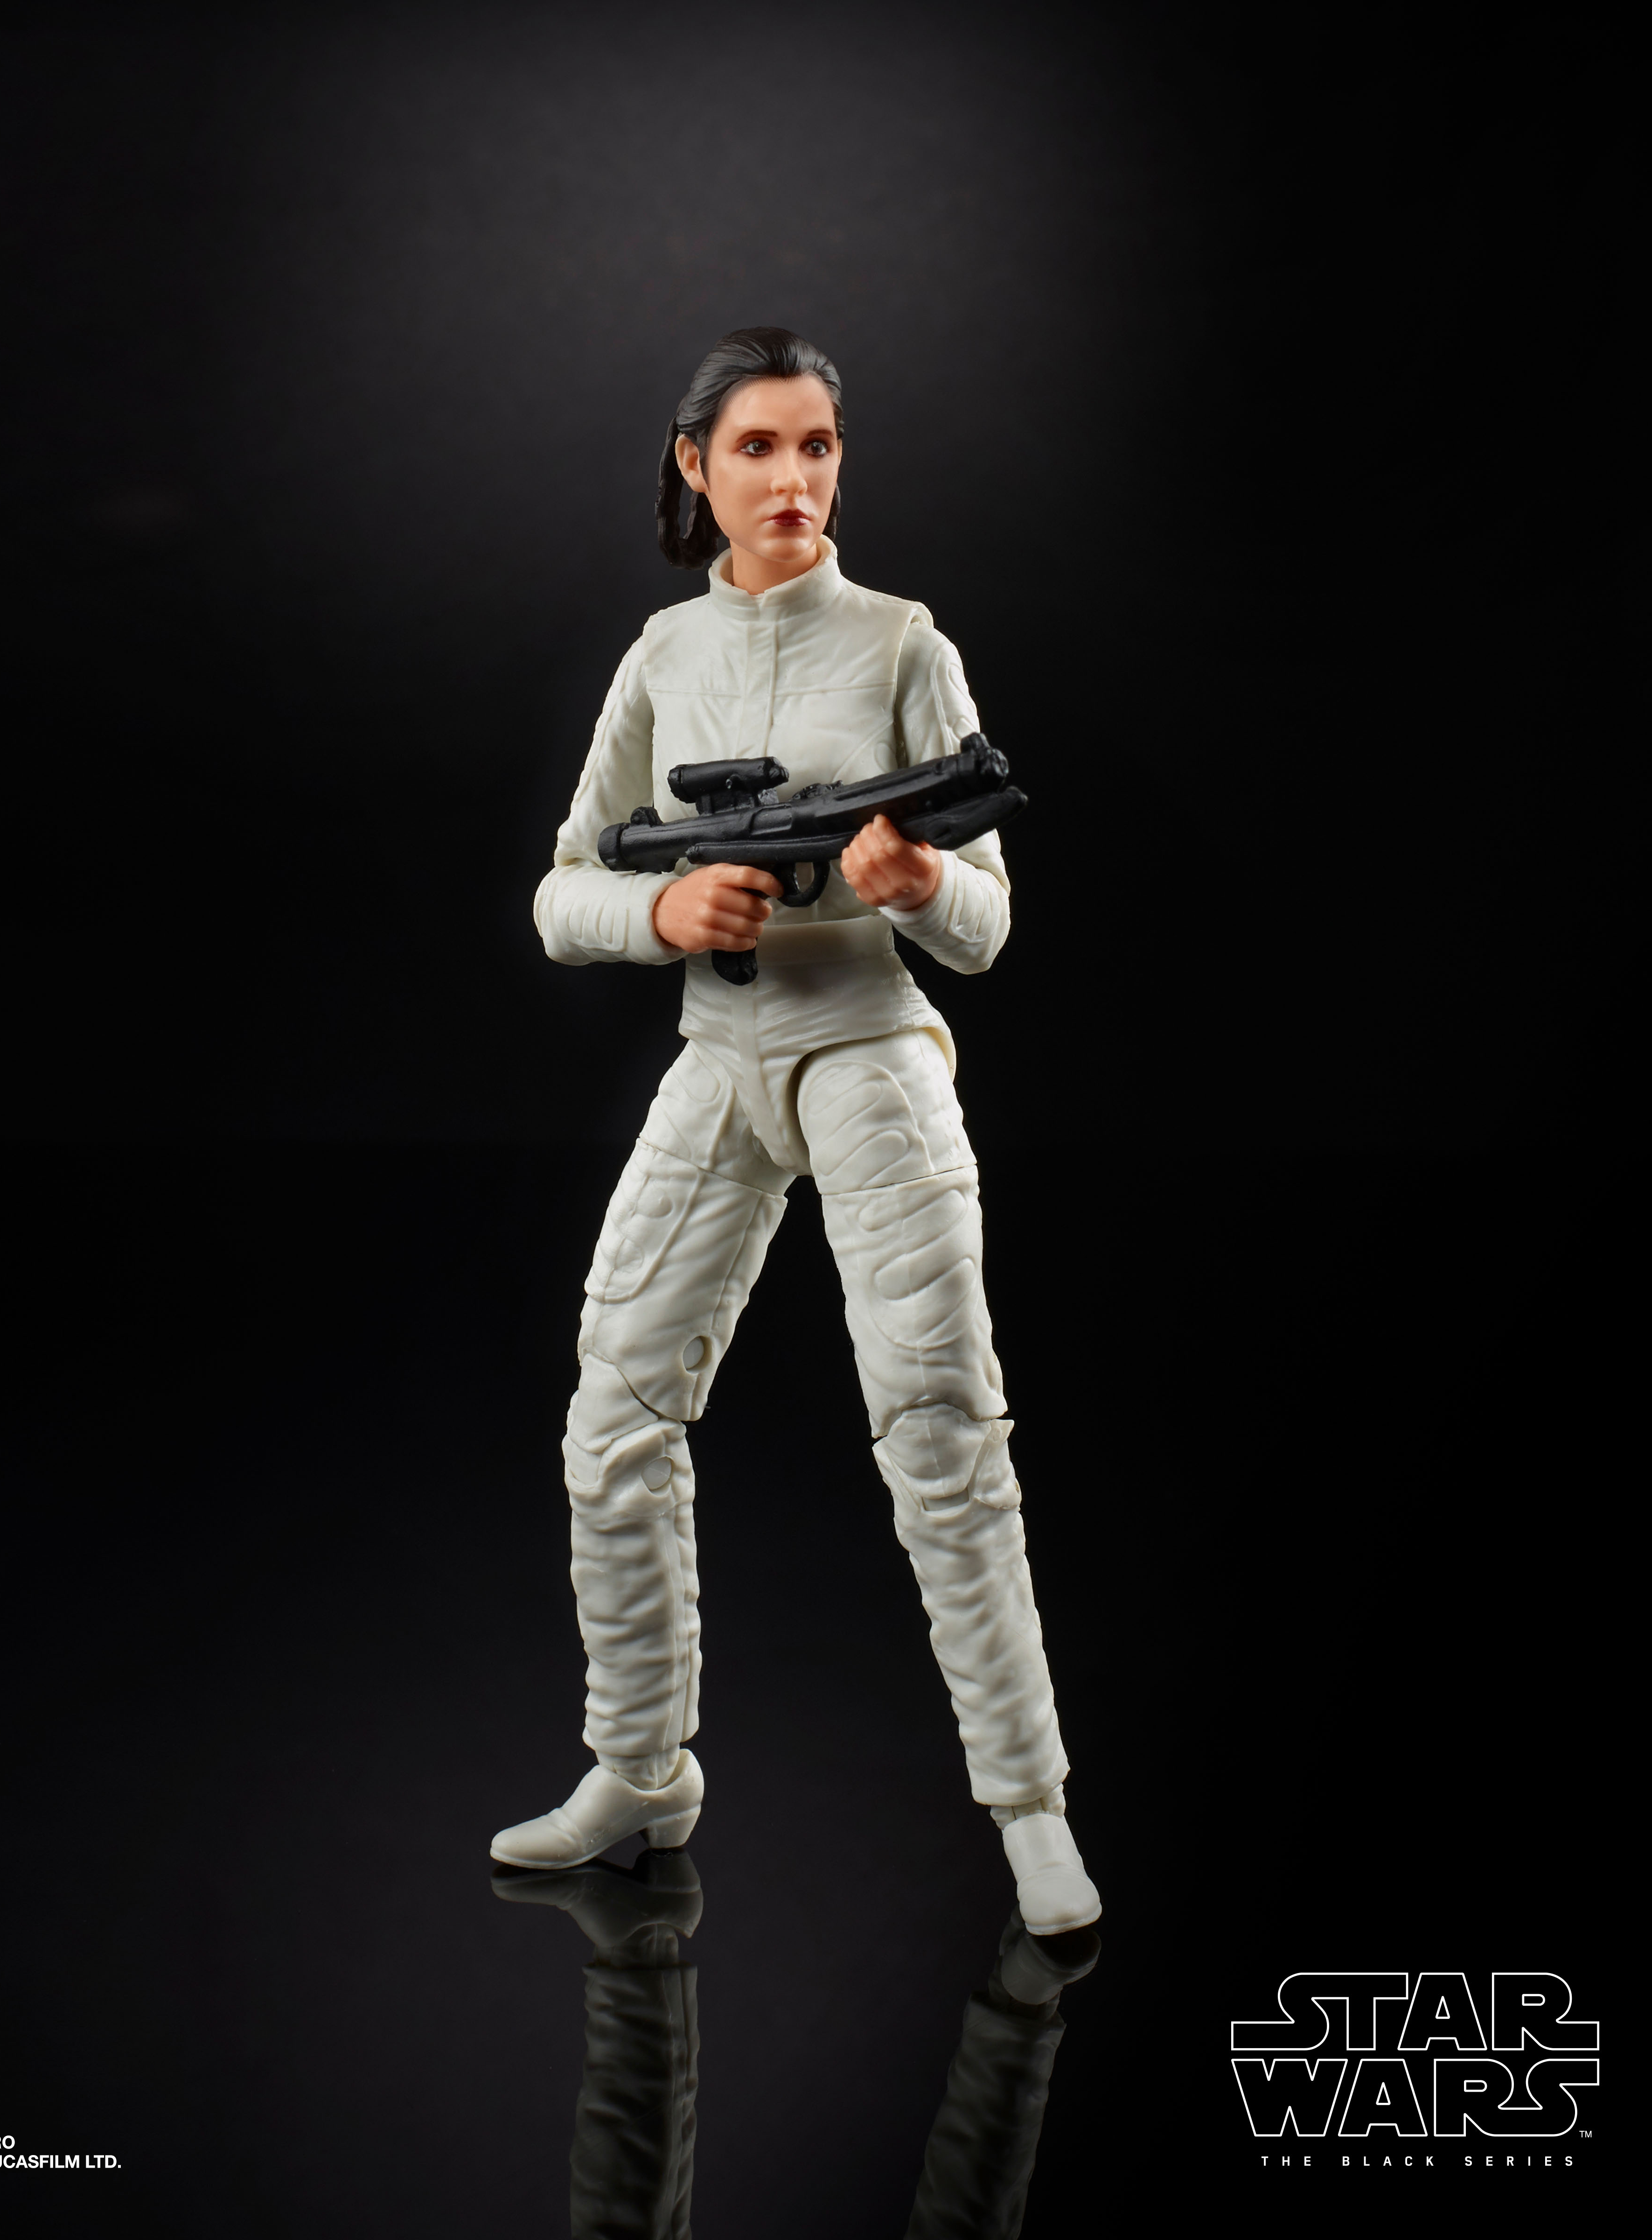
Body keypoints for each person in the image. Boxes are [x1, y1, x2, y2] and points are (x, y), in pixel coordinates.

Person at [491, 328, 1099, 1935]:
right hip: (720, 1055)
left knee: (939, 1429)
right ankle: (638, 1773)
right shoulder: (661, 656)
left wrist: (921, 883)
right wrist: (665, 911)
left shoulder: (901, 643)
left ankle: (1029, 1808)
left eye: (816, 445)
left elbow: (987, 928)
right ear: (695, 466)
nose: (791, 478)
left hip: (866, 1053)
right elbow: (564, 888)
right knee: (613, 1419)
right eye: (756, 447)